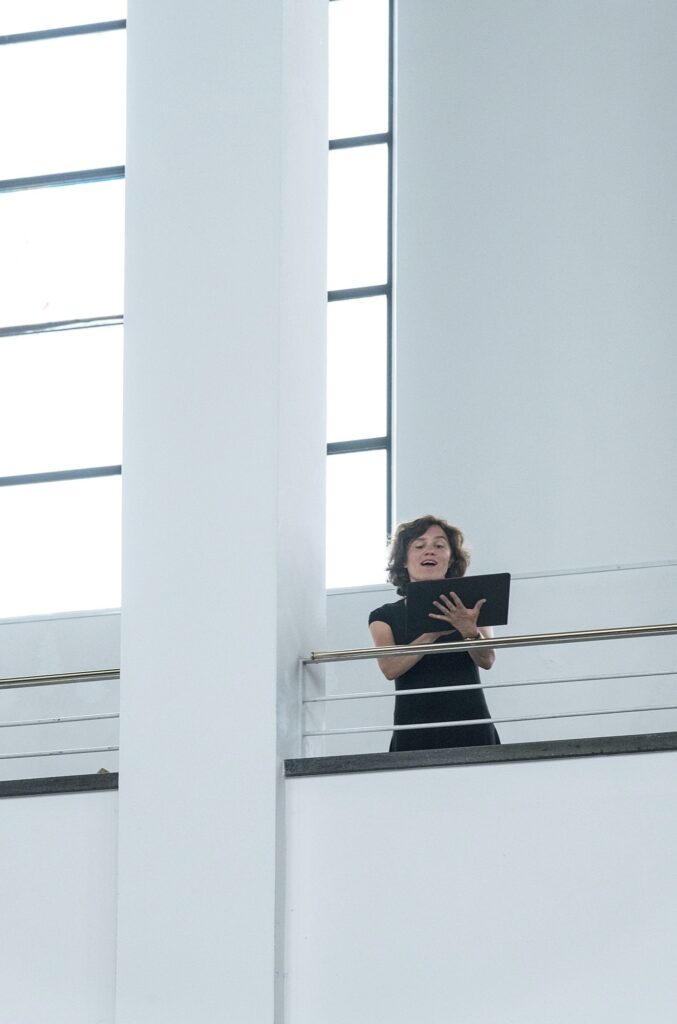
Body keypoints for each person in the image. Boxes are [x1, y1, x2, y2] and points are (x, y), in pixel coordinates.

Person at [368, 514, 500, 752]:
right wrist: (431, 634)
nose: (429, 551)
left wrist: (469, 631)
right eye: (419, 546)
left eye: (439, 546)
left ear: (451, 559)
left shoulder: (473, 607)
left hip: (472, 727)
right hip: (413, 731)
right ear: (404, 560)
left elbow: (487, 660)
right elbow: (390, 668)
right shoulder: (383, 616)